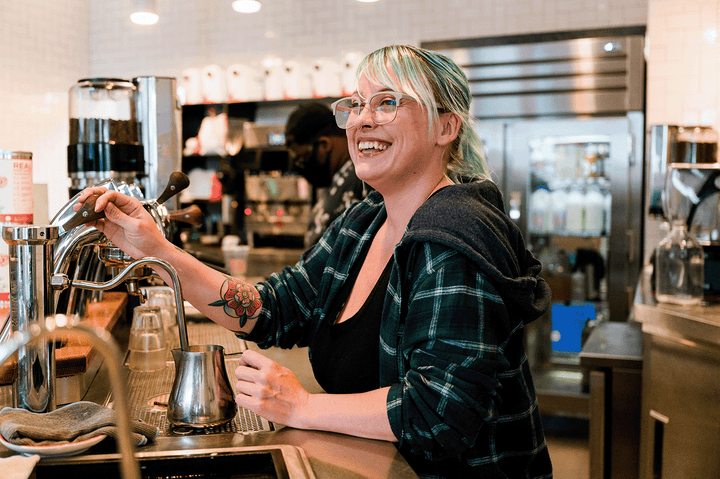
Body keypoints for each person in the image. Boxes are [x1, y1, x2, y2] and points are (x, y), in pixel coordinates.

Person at [76, 44, 553, 478]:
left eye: (387, 102)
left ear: (445, 127)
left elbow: (437, 415)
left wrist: (300, 406)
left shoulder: (453, 238)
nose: (363, 120)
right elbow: (276, 308)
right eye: (356, 105)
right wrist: (156, 249)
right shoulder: (365, 222)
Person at [284, 102, 367, 247]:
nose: (302, 167)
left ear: (324, 144)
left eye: (303, 159)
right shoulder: (341, 178)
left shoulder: (359, 179)